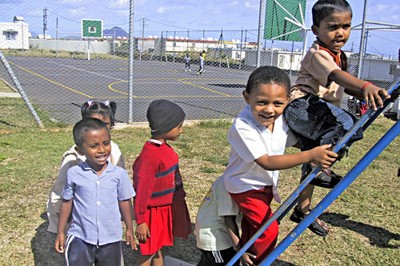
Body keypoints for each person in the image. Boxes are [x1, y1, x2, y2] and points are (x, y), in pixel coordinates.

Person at [283, 0, 390, 237]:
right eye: (332, 27)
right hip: (303, 106)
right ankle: (318, 166)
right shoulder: (317, 54)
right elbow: (336, 77)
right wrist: (365, 86)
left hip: (318, 112)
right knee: (348, 124)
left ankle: (303, 209)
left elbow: (347, 86)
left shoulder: (338, 55)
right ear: (316, 30)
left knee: (318, 153)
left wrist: (377, 93)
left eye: (346, 26)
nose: (340, 32)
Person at [223, 66, 338, 264]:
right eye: (261, 102)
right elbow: (267, 161)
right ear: (246, 97)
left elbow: (293, 140)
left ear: (287, 101)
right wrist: (310, 155)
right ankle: (261, 261)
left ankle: (245, 256)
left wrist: (321, 145)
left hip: (265, 184)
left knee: (254, 229)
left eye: (277, 103)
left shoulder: (281, 120)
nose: (269, 109)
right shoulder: (243, 125)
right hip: (244, 186)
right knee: (269, 228)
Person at [54, 118, 137, 265]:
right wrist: (61, 231)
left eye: (106, 143)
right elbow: (67, 201)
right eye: (94, 146)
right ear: (80, 150)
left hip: (111, 238)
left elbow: (124, 200)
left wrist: (129, 228)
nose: (102, 150)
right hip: (81, 237)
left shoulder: (119, 174)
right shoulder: (74, 173)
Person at [46, 100, 124, 234]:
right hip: (80, 219)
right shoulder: (73, 157)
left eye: (104, 124)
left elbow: (120, 184)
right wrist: (61, 223)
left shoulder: (115, 151)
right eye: (92, 123)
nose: (98, 129)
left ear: (110, 126)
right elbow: (60, 192)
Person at [133, 99, 192, 266]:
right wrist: (141, 220)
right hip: (153, 213)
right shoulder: (150, 156)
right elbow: (142, 190)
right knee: (148, 252)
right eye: (179, 126)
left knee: (159, 248)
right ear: (166, 127)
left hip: (165, 209)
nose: (181, 129)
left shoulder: (164, 148)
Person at [195, 176, 255, 266]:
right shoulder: (230, 185)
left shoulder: (230, 177)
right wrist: (241, 252)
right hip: (216, 240)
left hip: (214, 235)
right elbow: (228, 220)